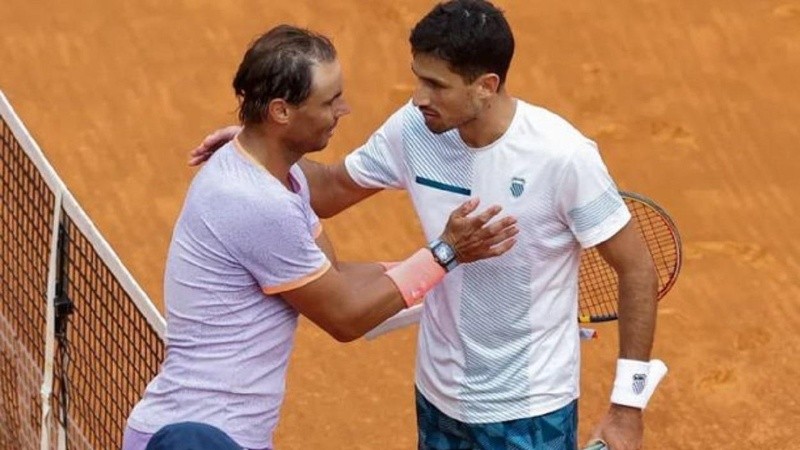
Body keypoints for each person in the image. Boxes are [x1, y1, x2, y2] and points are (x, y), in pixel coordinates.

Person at [190, 1, 664, 449]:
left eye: (437, 85)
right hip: (438, 398)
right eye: (419, 78)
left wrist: (627, 408)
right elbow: (332, 188)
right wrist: (262, 145)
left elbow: (637, 269)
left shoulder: (563, 156)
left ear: (486, 86)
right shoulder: (414, 130)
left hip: (529, 407)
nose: (419, 98)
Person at [123, 24, 518, 450]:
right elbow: (345, 315)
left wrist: (448, 273)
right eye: (329, 101)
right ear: (281, 112)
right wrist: (445, 254)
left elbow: (335, 276)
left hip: (225, 435)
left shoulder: (279, 176)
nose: (343, 110)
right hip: (195, 438)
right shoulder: (256, 201)